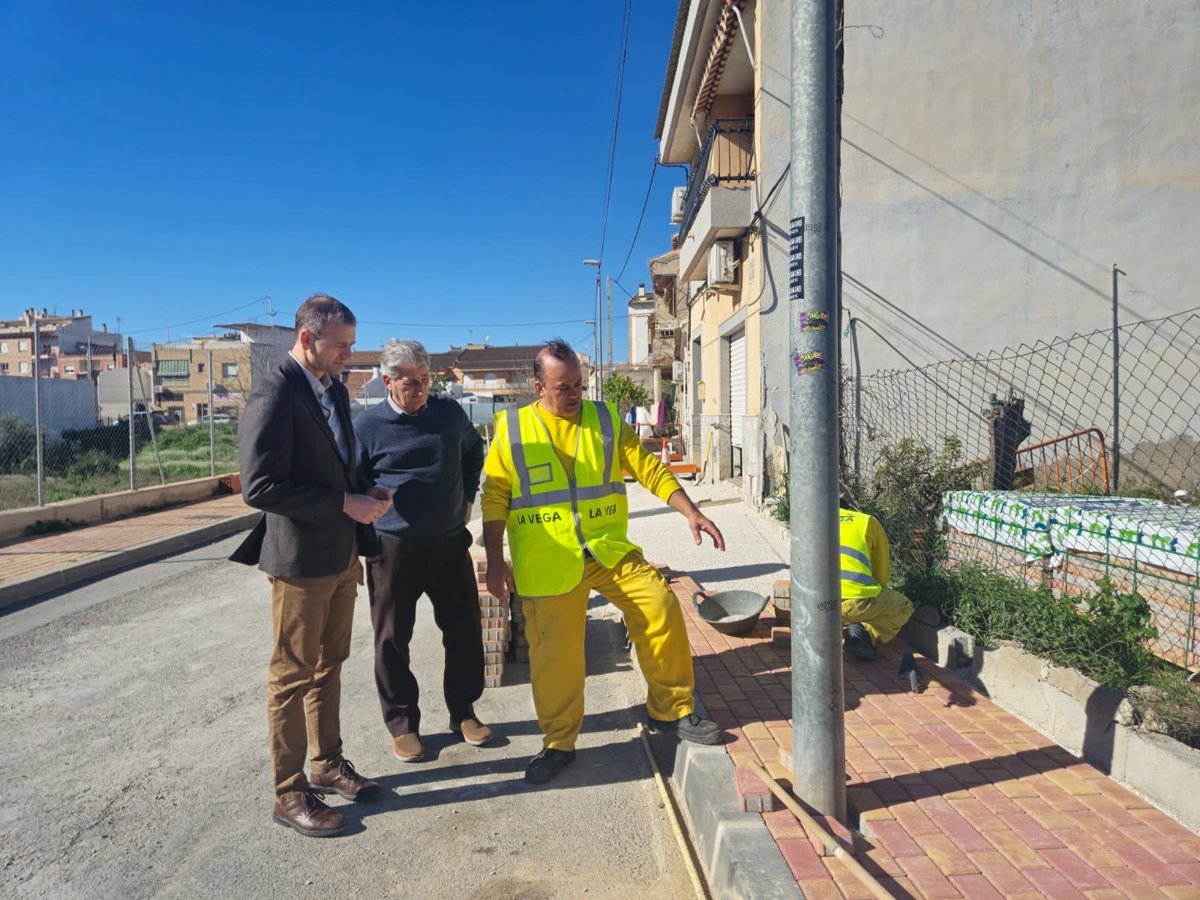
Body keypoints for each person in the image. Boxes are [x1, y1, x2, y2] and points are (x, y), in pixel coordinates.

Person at [482, 339, 727, 785]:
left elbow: (648, 467)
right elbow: (495, 494)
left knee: (659, 606)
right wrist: (497, 561)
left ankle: (671, 711)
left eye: (579, 384)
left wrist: (690, 511)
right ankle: (558, 743)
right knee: (555, 656)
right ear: (539, 388)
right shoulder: (513, 429)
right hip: (549, 559)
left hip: (606, 549)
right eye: (563, 387)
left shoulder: (605, 420)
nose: (574, 394)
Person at [231, 293, 392, 838]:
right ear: (307, 338)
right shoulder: (275, 391)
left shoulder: (334, 389)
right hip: (300, 561)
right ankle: (289, 790)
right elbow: (260, 486)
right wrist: (345, 503)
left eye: (352, 344)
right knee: (291, 674)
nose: (350, 354)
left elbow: (336, 467)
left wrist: (365, 492)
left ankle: (327, 763)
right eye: (341, 345)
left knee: (330, 664)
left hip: (341, 554)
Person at [354, 339, 491, 763]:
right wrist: (360, 536)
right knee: (392, 640)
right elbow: (353, 485)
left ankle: (463, 711)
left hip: (448, 543)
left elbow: (473, 451)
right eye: (410, 382)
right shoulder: (367, 426)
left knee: (465, 631)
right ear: (387, 381)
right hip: (392, 548)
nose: (420, 389)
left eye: (425, 379)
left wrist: (467, 497)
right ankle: (403, 724)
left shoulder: (448, 413)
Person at [839, 499, 914, 661]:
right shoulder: (866, 521)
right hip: (855, 602)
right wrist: (879, 592)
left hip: (816, 605)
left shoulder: (811, 523)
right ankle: (864, 632)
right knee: (904, 606)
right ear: (849, 510)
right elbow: (881, 570)